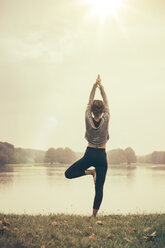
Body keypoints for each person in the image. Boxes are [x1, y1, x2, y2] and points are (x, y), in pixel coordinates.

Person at [64, 74, 110, 218]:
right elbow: (107, 102)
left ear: (91, 110)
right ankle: (93, 216)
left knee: (68, 174)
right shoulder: (107, 117)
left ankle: (90, 172)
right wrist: (101, 86)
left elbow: (89, 101)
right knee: (99, 188)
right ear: (102, 111)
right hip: (101, 156)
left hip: (89, 154)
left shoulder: (86, 117)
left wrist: (94, 86)